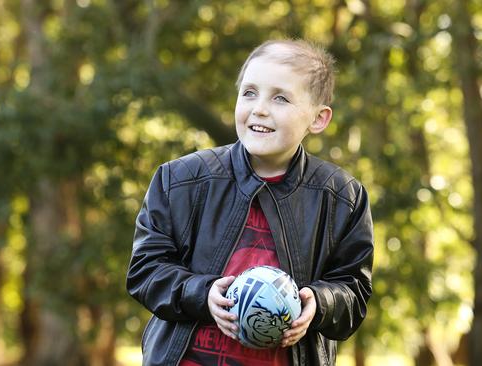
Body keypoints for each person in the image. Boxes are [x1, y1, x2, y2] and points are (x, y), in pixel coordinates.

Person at [126, 39, 374, 365]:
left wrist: (319, 301)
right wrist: (201, 293)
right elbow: (145, 270)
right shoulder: (180, 180)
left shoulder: (342, 198)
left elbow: (353, 289)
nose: (259, 108)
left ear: (318, 119)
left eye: (281, 98)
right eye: (249, 93)